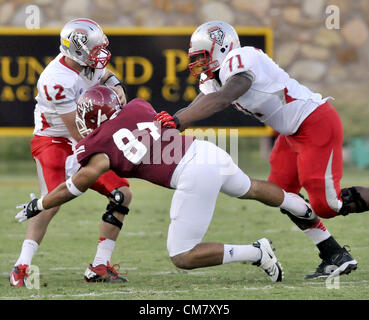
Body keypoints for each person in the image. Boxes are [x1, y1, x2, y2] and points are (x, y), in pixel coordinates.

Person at [16, 85, 320, 283]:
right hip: (206, 150)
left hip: (193, 172)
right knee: (250, 188)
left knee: (182, 256)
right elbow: (140, 121)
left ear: (93, 117)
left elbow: (75, 186)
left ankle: (257, 252)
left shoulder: (99, 147)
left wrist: (38, 204)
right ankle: (297, 204)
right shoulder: (137, 107)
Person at [154, 21, 369, 279]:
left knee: (327, 205)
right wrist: (168, 125)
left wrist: (179, 122)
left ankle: (334, 252)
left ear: (222, 49)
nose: (199, 64)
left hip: (314, 122)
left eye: (204, 57)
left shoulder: (240, 59)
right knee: (281, 194)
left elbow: (223, 98)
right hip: (291, 134)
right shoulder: (216, 77)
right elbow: (199, 103)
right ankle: (334, 254)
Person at [10, 18, 132, 287]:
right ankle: (21, 266)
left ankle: (99, 266)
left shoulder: (86, 63)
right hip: (54, 141)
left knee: (122, 194)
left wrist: (118, 85)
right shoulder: (56, 80)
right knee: (50, 203)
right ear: (77, 50)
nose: (100, 54)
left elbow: (105, 73)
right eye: (95, 48)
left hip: (83, 136)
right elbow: (79, 135)